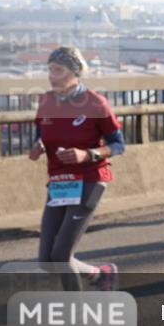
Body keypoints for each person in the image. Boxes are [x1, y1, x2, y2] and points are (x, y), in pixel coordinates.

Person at [29, 47, 125, 292]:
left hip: (90, 179)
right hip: (60, 182)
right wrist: (38, 145)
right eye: (50, 70)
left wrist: (88, 154)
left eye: (58, 70)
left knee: (61, 256)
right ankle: (99, 275)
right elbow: (42, 134)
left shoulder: (95, 103)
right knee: (46, 261)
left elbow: (118, 145)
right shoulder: (46, 101)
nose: (52, 75)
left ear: (75, 73)